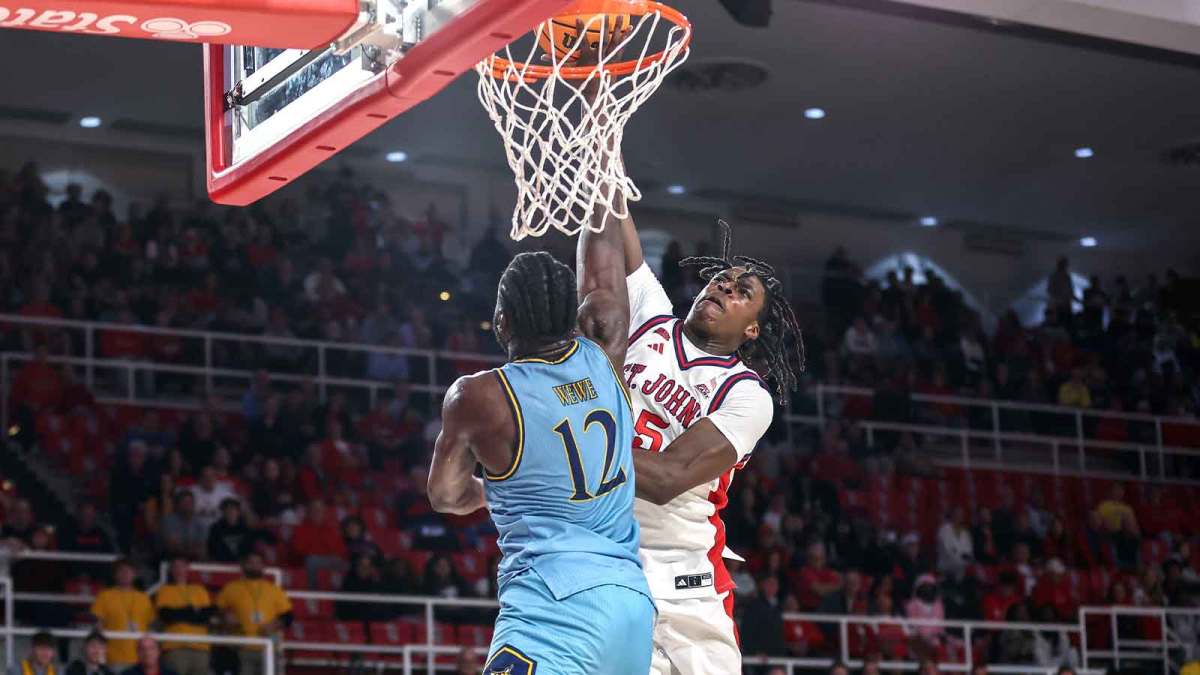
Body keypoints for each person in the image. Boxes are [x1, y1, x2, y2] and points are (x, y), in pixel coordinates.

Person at [591, 203, 802, 671]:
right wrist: (605, 161)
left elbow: (668, 477)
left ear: (751, 329)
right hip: (604, 555)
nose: (724, 288)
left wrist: (570, 436)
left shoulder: (747, 395)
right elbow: (614, 220)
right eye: (720, 281)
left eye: (741, 291)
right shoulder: (651, 313)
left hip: (681, 574)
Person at [427, 243, 653, 670]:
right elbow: (603, 274)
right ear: (575, 316)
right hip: (632, 605)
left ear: (501, 321)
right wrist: (602, 187)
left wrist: (491, 493)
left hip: (554, 607)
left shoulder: (479, 396)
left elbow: (445, 496)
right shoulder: (606, 349)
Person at [216, 551, 292, 675]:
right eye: (251, 563)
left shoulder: (274, 589)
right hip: (242, 646)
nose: (254, 566)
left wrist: (275, 624)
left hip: (267, 647)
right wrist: (226, 617)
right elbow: (218, 609)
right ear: (244, 565)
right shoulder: (231, 588)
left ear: (263, 566)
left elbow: (288, 616)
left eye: (258, 563)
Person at [89, 559, 155, 668]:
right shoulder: (105, 596)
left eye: (129, 571)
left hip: (139, 659)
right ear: (115, 575)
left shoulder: (144, 598)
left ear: (135, 574)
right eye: (121, 571)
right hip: (112, 658)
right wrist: (101, 657)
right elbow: (97, 624)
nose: (125, 574)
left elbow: (150, 627)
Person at [154, 557, 214, 675]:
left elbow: (205, 616)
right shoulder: (164, 590)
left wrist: (180, 612)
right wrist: (192, 611)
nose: (178, 570)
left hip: (200, 647)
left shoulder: (199, 590)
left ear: (187, 568)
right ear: (171, 570)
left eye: (181, 566)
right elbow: (167, 616)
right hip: (175, 647)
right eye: (175, 567)